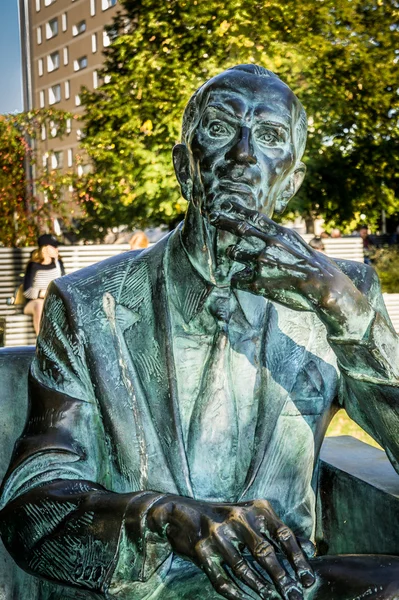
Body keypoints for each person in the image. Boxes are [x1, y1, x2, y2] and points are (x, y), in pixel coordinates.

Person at [1, 65, 399, 600]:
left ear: (291, 182)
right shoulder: (91, 302)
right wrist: (160, 515)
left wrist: (348, 316)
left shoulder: (344, 294)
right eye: (219, 128)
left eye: (270, 137)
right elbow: (33, 507)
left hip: (286, 585)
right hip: (149, 587)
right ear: (184, 167)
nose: (242, 154)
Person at [22, 234, 65, 335]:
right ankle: (40, 341)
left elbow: (63, 284)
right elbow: (26, 292)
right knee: (40, 305)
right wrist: (42, 293)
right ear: (45, 248)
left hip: (52, 301)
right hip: (34, 303)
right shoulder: (33, 266)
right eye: (54, 247)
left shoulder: (58, 264)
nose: (57, 249)